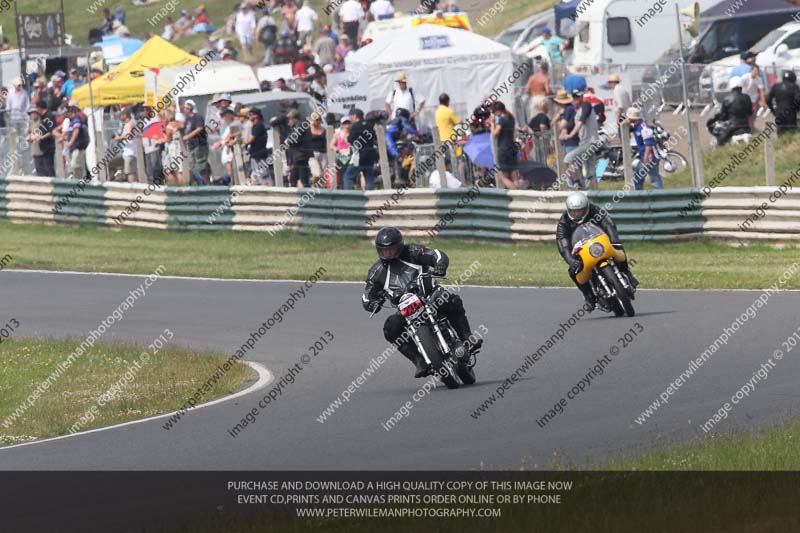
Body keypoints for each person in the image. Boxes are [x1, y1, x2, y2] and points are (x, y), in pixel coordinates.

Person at [361, 227, 482, 378]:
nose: (389, 253)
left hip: (429, 295)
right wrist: (372, 303)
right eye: (385, 251)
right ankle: (419, 361)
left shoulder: (413, 251)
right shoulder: (376, 271)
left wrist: (440, 265)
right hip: (406, 309)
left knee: (451, 299)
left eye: (392, 249)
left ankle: (467, 337)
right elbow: (367, 295)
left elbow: (436, 255)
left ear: (399, 246)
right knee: (390, 327)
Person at [556, 192, 637, 310]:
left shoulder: (595, 211)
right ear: (569, 210)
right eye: (574, 211)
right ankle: (589, 297)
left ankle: (627, 273)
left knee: (618, 248)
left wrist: (614, 239)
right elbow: (563, 243)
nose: (577, 213)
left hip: (598, 243)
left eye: (581, 210)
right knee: (573, 272)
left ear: (587, 207)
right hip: (581, 250)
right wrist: (571, 260)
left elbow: (608, 224)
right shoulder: (564, 222)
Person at [561, 90, 599, 190]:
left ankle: (578, 184)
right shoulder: (577, 111)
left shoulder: (586, 105)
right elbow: (569, 125)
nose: (576, 100)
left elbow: (581, 122)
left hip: (589, 142)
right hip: (586, 144)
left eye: (578, 97)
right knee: (591, 173)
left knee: (568, 158)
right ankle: (596, 195)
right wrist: (564, 131)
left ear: (582, 97)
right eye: (574, 98)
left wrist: (570, 135)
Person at [625, 106, 663, 190]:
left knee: (654, 177)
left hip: (650, 157)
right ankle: (639, 195)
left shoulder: (644, 128)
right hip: (644, 156)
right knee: (638, 177)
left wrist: (646, 158)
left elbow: (649, 144)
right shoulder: (636, 126)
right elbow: (626, 129)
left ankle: (660, 195)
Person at [343, 108, 378, 190]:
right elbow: (374, 138)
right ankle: (371, 196)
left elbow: (351, 140)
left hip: (357, 156)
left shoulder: (355, 126)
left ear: (355, 116)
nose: (350, 118)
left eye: (350, 116)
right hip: (370, 155)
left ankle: (347, 195)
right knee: (369, 177)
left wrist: (347, 138)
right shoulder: (370, 126)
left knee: (348, 177)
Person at [491, 102, 521, 189]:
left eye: (494, 112)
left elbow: (495, 134)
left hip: (504, 150)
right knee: (514, 176)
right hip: (512, 148)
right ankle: (519, 193)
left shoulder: (502, 120)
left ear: (498, 111)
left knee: (503, 177)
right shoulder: (511, 119)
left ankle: (516, 193)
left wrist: (492, 124)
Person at [182, 99, 210, 185]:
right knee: (192, 165)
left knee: (201, 165)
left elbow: (199, 128)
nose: (184, 109)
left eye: (185, 108)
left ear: (189, 108)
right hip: (191, 145)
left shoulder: (197, 117)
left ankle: (206, 184)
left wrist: (188, 136)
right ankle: (196, 184)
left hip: (199, 144)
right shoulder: (187, 119)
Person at [766, 70, 800, 136]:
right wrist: (797, 109)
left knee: (781, 134)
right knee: (792, 134)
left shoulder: (776, 86)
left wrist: (772, 110)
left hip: (779, 114)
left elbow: (768, 98)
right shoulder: (794, 86)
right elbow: (798, 99)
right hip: (791, 113)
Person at [285, 110, 313, 187]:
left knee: (302, 179)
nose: (289, 122)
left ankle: (304, 194)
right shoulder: (303, 124)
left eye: (289, 119)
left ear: (293, 118)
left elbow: (294, 137)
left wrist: (288, 141)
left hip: (301, 155)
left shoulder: (300, 125)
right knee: (295, 178)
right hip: (301, 155)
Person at [244, 109, 273, 185]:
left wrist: (242, 141)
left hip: (260, 155)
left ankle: (269, 189)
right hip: (255, 155)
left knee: (263, 175)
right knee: (255, 176)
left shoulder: (259, 126)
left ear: (256, 116)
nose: (249, 117)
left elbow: (250, 140)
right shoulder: (254, 126)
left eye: (250, 115)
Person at [26, 103, 56, 177]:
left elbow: (47, 132)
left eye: (34, 113)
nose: (32, 115)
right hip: (35, 150)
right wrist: (29, 136)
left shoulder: (42, 121)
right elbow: (32, 135)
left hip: (42, 150)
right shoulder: (31, 123)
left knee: (47, 170)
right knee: (39, 170)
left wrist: (38, 137)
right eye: (31, 113)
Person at [64, 100, 89, 180]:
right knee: (74, 166)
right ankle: (77, 180)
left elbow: (76, 130)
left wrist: (71, 142)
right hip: (73, 147)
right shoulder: (71, 120)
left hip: (78, 146)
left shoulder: (77, 118)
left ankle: (79, 182)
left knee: (76, 165)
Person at [113, 107, 139, 182]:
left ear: (125, 115)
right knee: (130, 170)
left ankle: (133, 187)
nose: (120, 117)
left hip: (130, 152)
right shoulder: (128, 124)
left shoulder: (129, 124)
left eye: (121, 115)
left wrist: (119, 138)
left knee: (130, 171)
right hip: (128, 151)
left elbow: (128, 136)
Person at [330, 116, 352, 188]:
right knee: (342, 174)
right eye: (345, 123)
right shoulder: (338, 134)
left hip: (351, 156)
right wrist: (337, 149)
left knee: (350, 173)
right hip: (341, 156)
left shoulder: (352, 133)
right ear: (342, 124)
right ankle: (343, 189)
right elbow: (331, 145)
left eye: (348, 123)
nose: (347, 125)